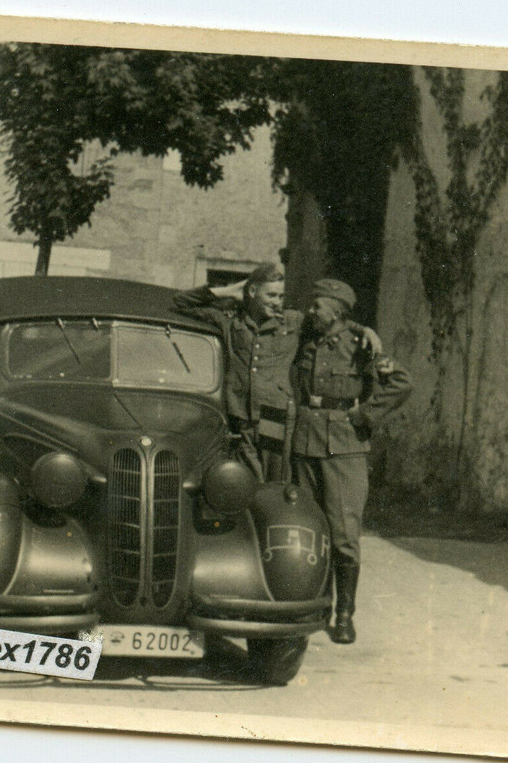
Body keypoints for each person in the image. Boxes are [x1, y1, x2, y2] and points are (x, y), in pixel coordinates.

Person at [174, 264, 381, 483]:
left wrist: (364, 330)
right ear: (252, 293)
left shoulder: (293, 322)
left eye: (281, 296)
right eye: (271, 295)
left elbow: (334, 319)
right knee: (244, 481)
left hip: (276, 416)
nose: (277, 302)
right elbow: (181, 303)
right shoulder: (231, 321)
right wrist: (228, 291)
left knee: (276, 482)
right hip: (241, 417)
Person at [291, 279, 412, 644]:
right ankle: (314, 606)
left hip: (345, 448)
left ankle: (344, 614)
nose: (311, 311)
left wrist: (364, 417)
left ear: (337, 311)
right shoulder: (305, 338)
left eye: (318, 306)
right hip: (304, 443)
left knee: (344, 535)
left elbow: (402, 383)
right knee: (307, 529)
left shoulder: (360, 346)